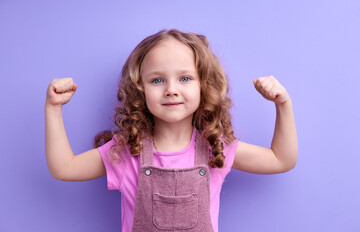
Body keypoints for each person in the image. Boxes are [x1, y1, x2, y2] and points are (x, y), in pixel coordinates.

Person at [45, 29, 298, 232]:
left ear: (203, 86)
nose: (171, 89)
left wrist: (282, 104)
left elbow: (281, 159)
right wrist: (54, 108)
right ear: (140, 90)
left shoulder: (216, 149)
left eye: (185, 78)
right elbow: (64, 167)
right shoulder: (125, 152)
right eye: (157, 80)